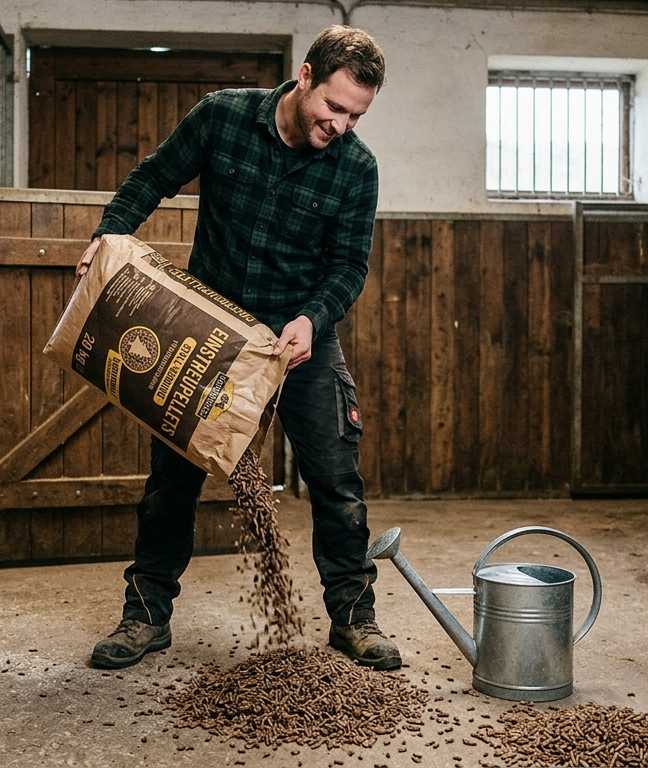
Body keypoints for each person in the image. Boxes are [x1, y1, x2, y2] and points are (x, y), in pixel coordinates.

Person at [79, 25, 399, 672]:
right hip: (213, 333)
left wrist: (313, 318)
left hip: (299, 340)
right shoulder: (223, 117)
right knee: (173, 480)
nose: (340, 124)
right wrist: (108, 237)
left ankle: (354, 618)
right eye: (333, 107)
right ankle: (146, 614)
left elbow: (348, 266)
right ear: (304, 77)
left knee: (336, 482)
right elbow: (153, 177)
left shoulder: (356, 168)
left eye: (356, 116)